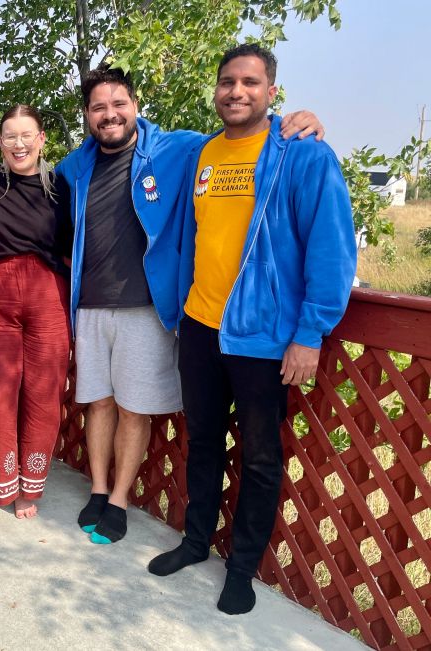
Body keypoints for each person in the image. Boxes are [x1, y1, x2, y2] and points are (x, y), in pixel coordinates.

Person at [55, 63, 324, 546]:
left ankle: (118, 501)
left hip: (147, 308)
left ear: (135, 105)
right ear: (88, 116)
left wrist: (294, 120)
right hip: (90, 307)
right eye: (98, 107)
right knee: (98, 403)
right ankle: (97, 490)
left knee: (133, 410)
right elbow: (39, 189)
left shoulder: (178, 148)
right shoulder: (73, 167)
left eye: (119, 104)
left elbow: (241, 132)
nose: (109, 114)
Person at [147, 44, 356, 616]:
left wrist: (310, 333)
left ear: (271, 91)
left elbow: (332, 250)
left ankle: (240, 569)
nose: (236, 91)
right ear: (215, 89)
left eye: (250, 82)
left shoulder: (303, 155)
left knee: (261, 458)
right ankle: (195, 542)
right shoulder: (205, 152)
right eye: (227, 82)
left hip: (263, 337)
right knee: (203, 443)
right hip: (200, 326)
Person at [0, 105, 73, 522]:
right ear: (0, 141)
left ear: (42, 139)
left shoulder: (60, 188)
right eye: (10, 136)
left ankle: (28, 486)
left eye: (27, 135)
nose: (19, 144)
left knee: (44, 393)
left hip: (48, 294)